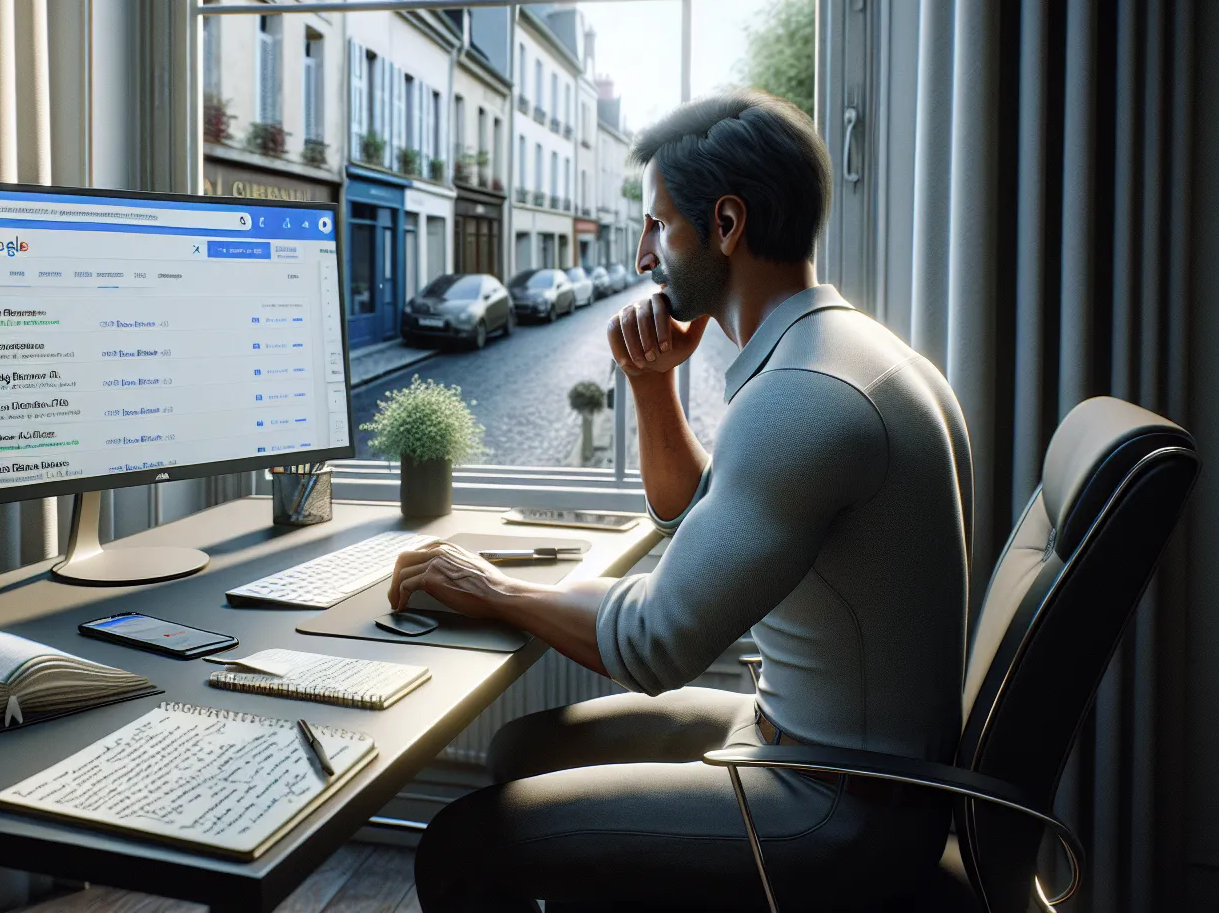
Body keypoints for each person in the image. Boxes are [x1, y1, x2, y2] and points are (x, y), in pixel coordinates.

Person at [391, 90, 973, 911]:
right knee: (523, 748)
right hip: (828, 756)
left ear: (726, 225)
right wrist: (652, 383)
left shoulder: (804, 396)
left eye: (659, 225)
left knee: (461, 845)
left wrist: (489, 586)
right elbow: (698, 513)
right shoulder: (845, 351)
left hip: (842, 809)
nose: (641, 257)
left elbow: (655, 643)